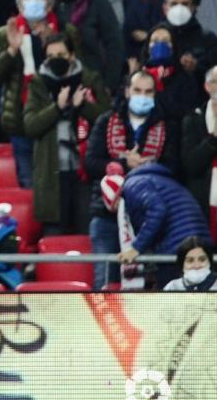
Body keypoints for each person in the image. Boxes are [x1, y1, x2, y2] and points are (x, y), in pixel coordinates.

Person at [86, 70, 180, 289]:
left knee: (148, 288)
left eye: (148, 91)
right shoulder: (105, 120)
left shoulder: (167, 125)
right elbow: (91, 163)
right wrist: (122, 163)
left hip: (149, 219)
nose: (142, 96)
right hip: (106, 215)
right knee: (105, 284)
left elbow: (175, 167)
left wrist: (149, 167)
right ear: (127, 91)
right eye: (137, 90)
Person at [0, 0, 79, 188]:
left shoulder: (66, 31)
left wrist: (53, 47)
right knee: (29, 188)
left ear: (50, 4)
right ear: (19, 4)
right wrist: (12, 50)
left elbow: (79, 73)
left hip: (60, 122)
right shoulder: (4, 34)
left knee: (59, 190)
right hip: (21, 123)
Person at [24, 32, 110, 235]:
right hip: (51, 171)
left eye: (61, 54)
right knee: (55, 233)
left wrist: (83, 107)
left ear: (72, 55)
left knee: (86, 230)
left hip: (84, 171)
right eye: (51, 56)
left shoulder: (89, 79)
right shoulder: (38, 84)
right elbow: (30, 125)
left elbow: (107, 119)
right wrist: (57, 107)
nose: (56, 60)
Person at [116, 162, 213, 288]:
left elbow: (157, 210)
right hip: (201, 242)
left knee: (171, 303)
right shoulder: (162, 180)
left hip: (177, 249)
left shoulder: (133, 185)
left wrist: (136, 248)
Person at [54, 0, 125, 94]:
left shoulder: (97, 3)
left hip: (95, 80)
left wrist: (109, 84)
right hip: (64, 82)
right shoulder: (55, 6)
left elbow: (114, 44)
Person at [182, 65, 217, 241]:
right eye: (215, 82)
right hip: (203, 205)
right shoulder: (193, 120)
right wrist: (213, 139)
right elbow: (190, 165)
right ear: (207, 86)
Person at [136, 23, 199, 120]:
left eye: (166, 41)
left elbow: (184, 112)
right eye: (155, 41)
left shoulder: (185, 79)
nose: (160, 44)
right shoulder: (136, 78)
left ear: (174, 47)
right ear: (148, 48)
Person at [160, 0, 217, 82]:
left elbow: (214, 73)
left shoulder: (208, 38)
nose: (179, 9)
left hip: (197, 92)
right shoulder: (156, 36)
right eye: (174, 4)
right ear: (165, 8)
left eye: (185, 4)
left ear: (193, 7)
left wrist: (197, 66)